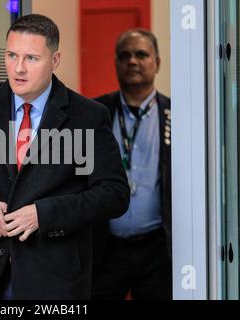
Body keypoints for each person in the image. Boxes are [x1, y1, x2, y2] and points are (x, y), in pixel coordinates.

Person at [0, 14, 130, 300]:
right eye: (11, 55)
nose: (18, 68)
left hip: (55, 282)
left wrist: (44, 215)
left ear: (55, 61)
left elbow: (114, 194)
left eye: (31, 58)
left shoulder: (88, 116)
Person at [92, 29, 172, 300]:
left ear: (157, 63)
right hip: (104, 247)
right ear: (115, 63)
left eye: (141, 54)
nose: (132, 62)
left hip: (158, 250)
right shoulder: (95, 114)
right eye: (124, 56)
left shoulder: (177, 116)